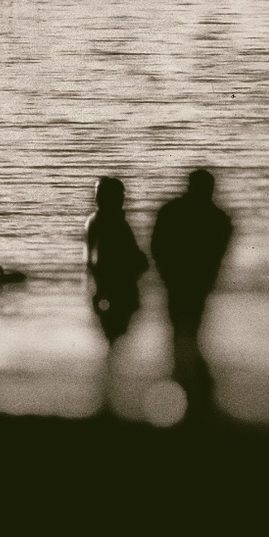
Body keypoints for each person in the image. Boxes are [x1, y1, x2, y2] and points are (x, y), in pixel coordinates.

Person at [151, 168, 232, 419]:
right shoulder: (218, 217)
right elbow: (220, 250)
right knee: (189, 331)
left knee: (181, 331)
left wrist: (165, 273)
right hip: (192, 283)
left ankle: (185, 388)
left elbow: (157, 245)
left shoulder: (172, 211)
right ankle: (193, 393)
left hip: (179, 281)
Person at [84, 176, 149, 411]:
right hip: (114, 286)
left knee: (115, 335)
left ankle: (110, 386)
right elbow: (93, 259)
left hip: (112, 286)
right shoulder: (108, 222)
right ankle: (111, 388)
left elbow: (91, 260)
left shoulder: (103, 221)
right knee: (115, 333)